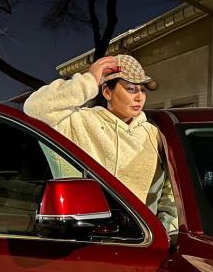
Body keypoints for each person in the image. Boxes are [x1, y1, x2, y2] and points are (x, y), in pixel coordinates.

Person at [23, 54, 178, 232]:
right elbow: (35, 108)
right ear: (106, 92)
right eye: (130, 88)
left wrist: (166, 228)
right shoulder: (80, 122)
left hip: (143, 241)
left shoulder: (153, 134)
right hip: (88, 236)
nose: (139, 97)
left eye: (142, 90)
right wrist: (90, 80)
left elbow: (171, 187)